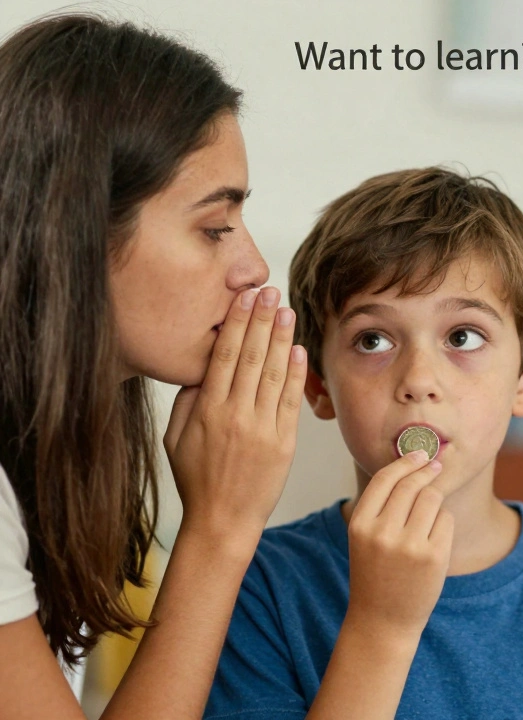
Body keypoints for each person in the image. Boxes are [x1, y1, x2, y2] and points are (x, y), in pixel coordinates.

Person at [0, 15, 306, 718]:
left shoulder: (63, 461)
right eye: (213, 228)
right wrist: (222, 527)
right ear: (72, 230)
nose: (253, 267)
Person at [203, 167, 523, 719]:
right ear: (318, 386)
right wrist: (382, 626)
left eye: (463, 337)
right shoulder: (259, 586)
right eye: (373, 340)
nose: (419, 379)